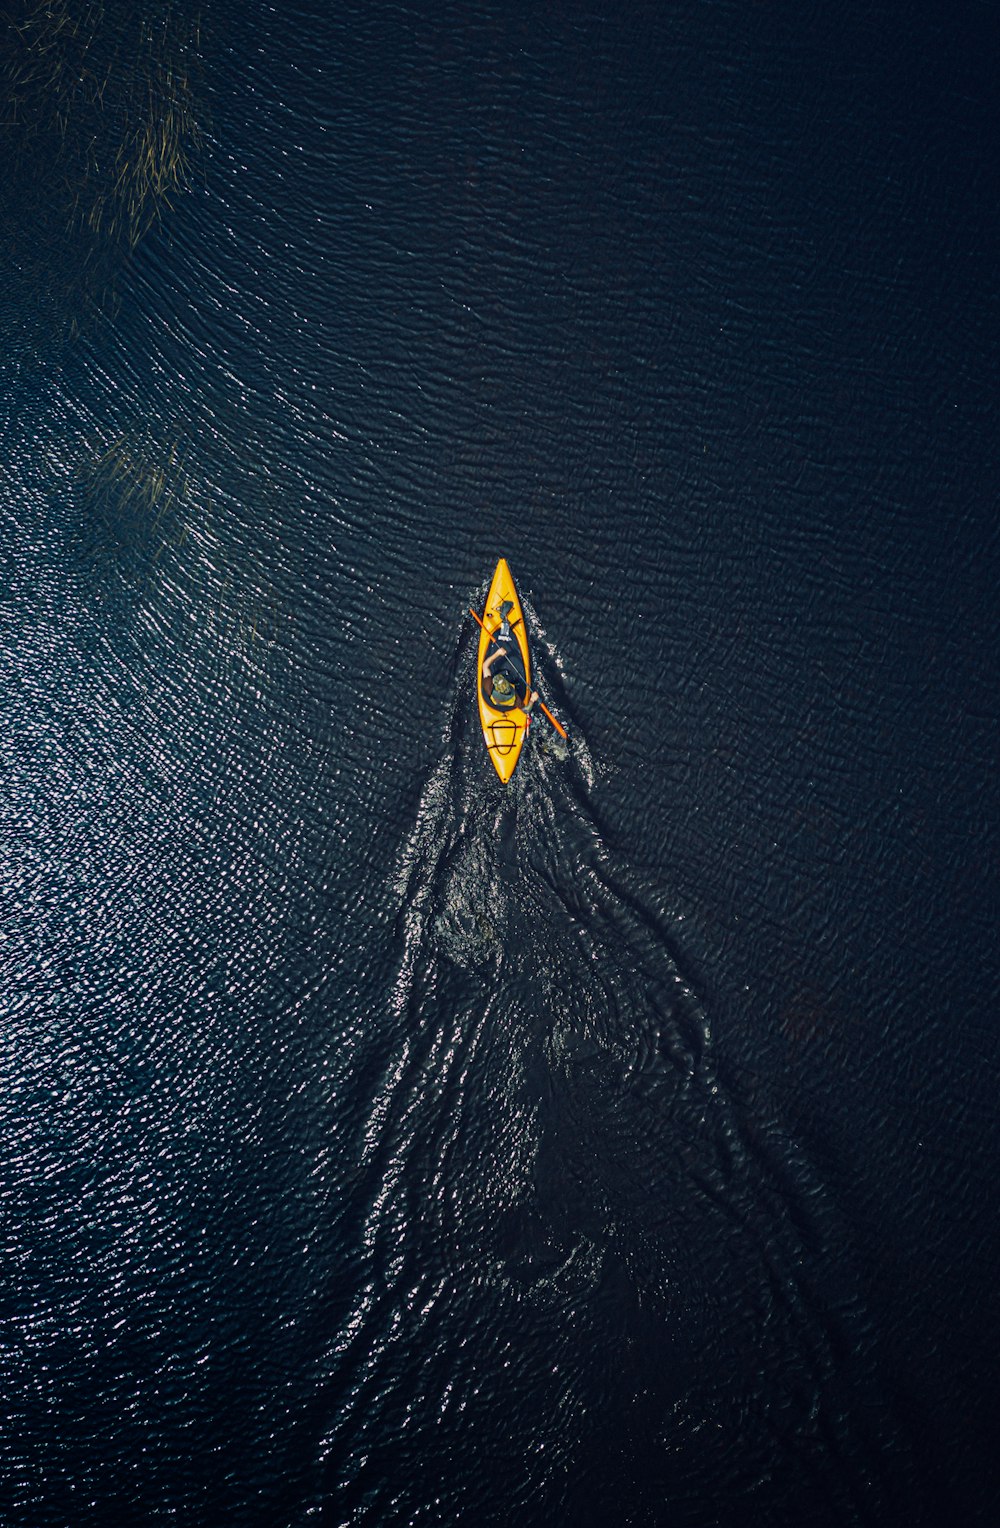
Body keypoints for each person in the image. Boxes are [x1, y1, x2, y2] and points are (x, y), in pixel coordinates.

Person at [483, 645, 538, 715]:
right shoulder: (515, 699)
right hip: (506, 703)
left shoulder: (488, 687)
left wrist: (497, 653)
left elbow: (485, 666)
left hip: (495, 703)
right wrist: (532, 699)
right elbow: (525, 710)